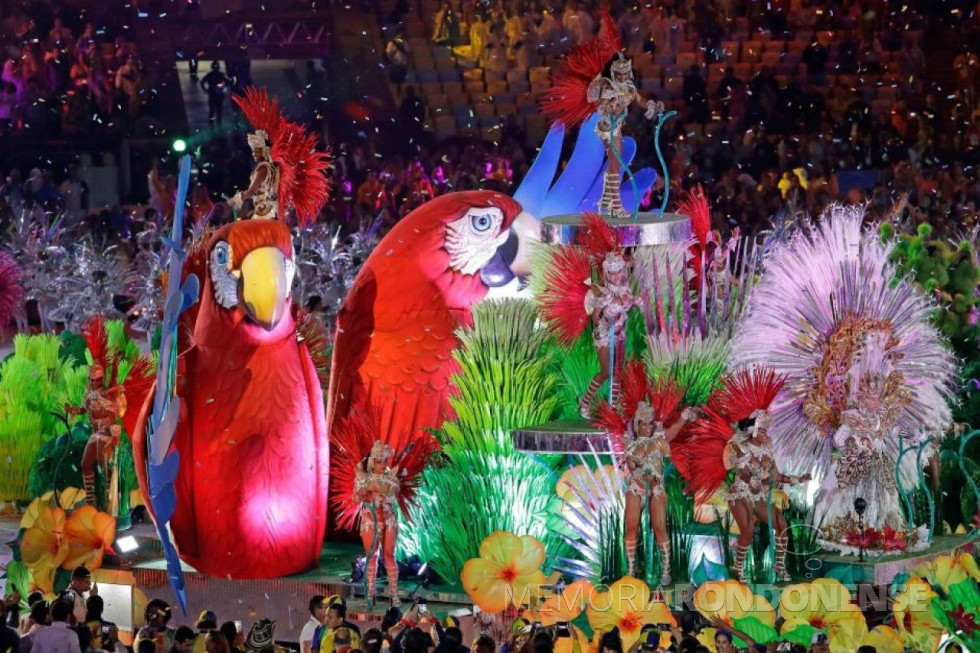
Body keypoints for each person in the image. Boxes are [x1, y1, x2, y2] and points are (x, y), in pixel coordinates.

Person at [594, 361, 696, 583]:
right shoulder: (630, 444)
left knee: (659, 527)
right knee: (631, 528)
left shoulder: (659, 441)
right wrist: (641, 473)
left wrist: (685, 416)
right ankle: (631, 570)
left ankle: (666, 570)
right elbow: (631, 467)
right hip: (637, 485)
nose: (648, 427)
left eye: (651, 424)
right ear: (638, 424)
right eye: (645, 424)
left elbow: (674, 430)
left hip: (657, 487)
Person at [65, 347, 126, 511]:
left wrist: (115, 365)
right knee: (86, 463)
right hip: (96, 435)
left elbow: (114, 412)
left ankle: (109, 501)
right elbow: (83, 409)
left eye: (96, 380)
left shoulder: (107, 394)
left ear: (101, 380)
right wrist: (73, 410)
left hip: (108, 434)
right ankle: (90, 501)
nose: (93, 383)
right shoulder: (88, 394)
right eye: (91, 380)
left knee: (104, 467)